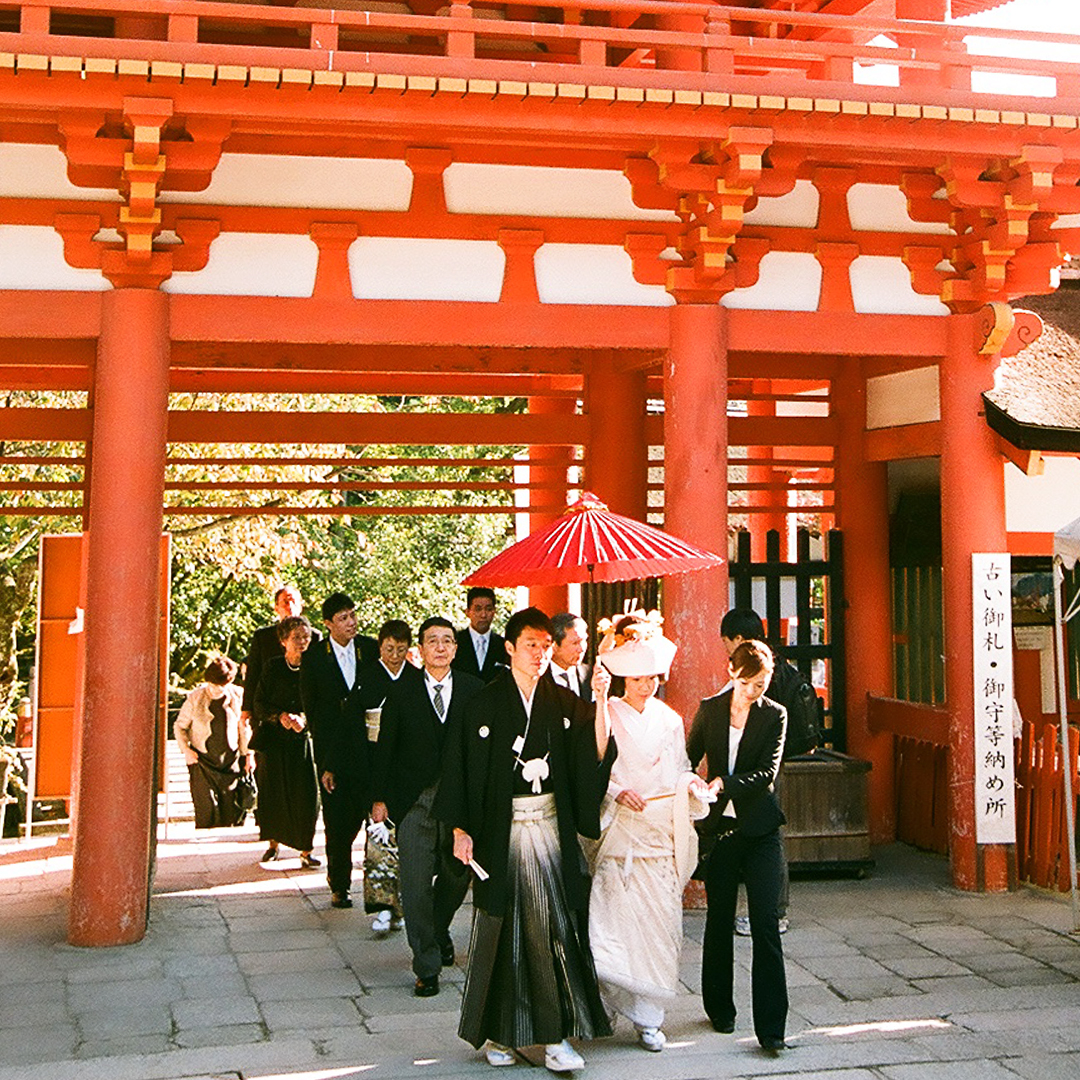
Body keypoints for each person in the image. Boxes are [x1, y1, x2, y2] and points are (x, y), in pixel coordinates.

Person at [437, 606, 615, 1074]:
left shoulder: (562, 700)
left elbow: (595, 752)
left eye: (546, 646)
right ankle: (502, 1033)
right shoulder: (483, 703)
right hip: (501, 833)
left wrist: (600, 700)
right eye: (531, 645)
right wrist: (459, 829)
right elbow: (457, 766)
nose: (540, 654)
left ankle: (554, 1038)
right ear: (510, 648)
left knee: (554, 929)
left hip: (550, 830)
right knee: (502, 933)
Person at [587, 615, 712, 1052]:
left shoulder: (670, 718)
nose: (646, 685)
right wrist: (616, 791)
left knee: (658, 926)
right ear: (625, 678)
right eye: (638, 678)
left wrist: (691, 786)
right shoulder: (609, 712)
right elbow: (597, 763)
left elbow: (681, 767)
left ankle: (649, 1018)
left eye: (651, 678)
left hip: (659, 830)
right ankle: (608, 999)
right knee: (614, 923)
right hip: (622, 828)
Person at [371, 617, 483, 996]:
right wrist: (379, 798)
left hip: (459, 804)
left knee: (458, 876)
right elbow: (385, 747)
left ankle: (436, 929)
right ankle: (427, 964)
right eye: (432, 641)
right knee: (416, 886)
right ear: (420, 649)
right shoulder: (402, 692)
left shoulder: (473, 690)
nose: (440, 647)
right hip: (414, 802)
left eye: (447, 641)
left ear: (455, 648)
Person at [688, 639, 789, 1053]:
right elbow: (687, 757)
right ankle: (720, 1009)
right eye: (748, 683)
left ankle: (772, 1029)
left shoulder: (775, 715)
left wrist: (724, 783)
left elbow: (767, 772)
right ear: (732, 673)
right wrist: (692, 785)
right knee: (719, 919)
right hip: (720, 831)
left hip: (761, 829)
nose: (753, 691)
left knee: (765, 924)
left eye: (761, 684)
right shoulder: (710, 709)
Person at [721, 607, 821, 935]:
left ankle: (774, 912)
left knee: (768, 836)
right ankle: (771, 911)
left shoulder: (759, 671)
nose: (726, 649)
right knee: (767, 835)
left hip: (763, 768)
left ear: (738, 638)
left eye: (726, 642)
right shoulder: (776, 666)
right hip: (772, 764)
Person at [300, 591, 377, 909]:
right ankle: (340, 884)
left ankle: (380, 887)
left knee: (376, 820)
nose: (351, 622)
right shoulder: (314, 657)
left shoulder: (370, 649)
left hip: (369, 749)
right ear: (328, 624)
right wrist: (326, 762)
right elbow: (313, 712)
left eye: (353, 615)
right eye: (343, 618)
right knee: (338, 822)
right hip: (334, 752)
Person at [251, 615, 320, 867]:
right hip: (273, 740)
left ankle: (306, 850)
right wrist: (279, 716)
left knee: (306, 795)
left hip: (303, 740)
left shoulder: (317, 668)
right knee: (273, 793)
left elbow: (324, 704)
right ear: (283, 641)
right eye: (296, 637)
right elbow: (259, 702)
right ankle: (273, 843)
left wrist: (305, 719)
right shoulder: (273, 667)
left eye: (306, 637)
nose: (302, 642)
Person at [360, 619, 413, 934]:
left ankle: (402, 905)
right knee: (379, 838)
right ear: (379, 647)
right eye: (389, 649)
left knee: (407, 842)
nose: (394, 656)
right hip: (374, 763)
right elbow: (352, 726)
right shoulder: (366, 679)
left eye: (401, 649)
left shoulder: (416, 679)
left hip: (407, 768)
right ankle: (382, 906)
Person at [175, 656, 253, 829]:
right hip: (202, 760)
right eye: (212, 684)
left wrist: (248, 755)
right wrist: (186, 750)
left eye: (221, 685)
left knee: (231, 811)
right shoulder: (196, 697)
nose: (216, 689)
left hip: (230, 760)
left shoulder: (238, 695)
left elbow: (245, 728)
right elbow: (180, 726)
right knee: (206, 809)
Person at [241, 585, 318, 725]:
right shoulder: (263, 636)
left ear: (301, 606)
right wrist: (246, 709)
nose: (290, 606)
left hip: (301, 706)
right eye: (285, 602)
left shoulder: (314, 636)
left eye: (294, 601)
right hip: (268, 706)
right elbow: (253, 673)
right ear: (276, 608)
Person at [452, 587, 507, 683]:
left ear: (494, 612)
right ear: (467, 612)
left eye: (488, 609)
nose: (483, 615)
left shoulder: (504, 645)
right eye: (478, 609)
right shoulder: (455, 642)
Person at [545, 613, 593, 701]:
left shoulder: (590, 675)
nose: (581, 649)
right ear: (554, 646)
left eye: (584, 641)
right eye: (575, 643)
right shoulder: (538, 677)